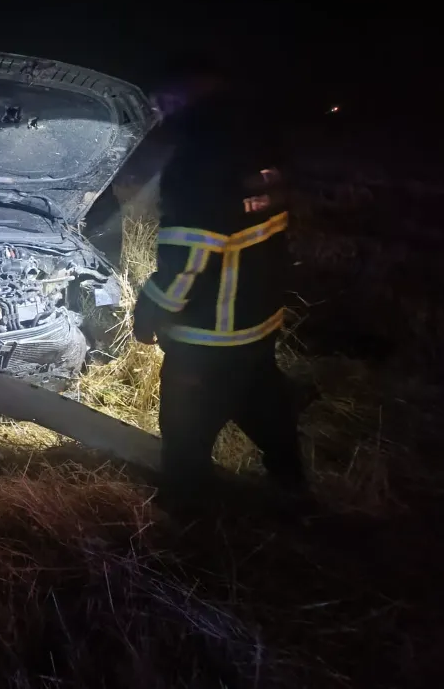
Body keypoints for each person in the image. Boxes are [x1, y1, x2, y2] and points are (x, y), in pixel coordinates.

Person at [132, 54, 312, 507]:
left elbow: (189, 256)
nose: (158, 114)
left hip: (208, 334)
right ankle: (294, 492)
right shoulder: (260, 143)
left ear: (180, 98)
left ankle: (185, 526)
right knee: (263, 405)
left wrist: (150, 309)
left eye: (161, 103)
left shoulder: (197, 161)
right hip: (259, 318)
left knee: (185, 433)